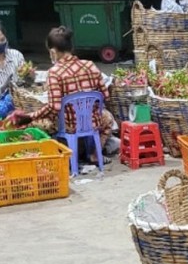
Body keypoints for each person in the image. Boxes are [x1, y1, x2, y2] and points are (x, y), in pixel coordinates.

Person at [13, 26, 114, 164]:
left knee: (34, 125)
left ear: (53, 52)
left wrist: (30, 117)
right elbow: (105, 96)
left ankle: (56, 156)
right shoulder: (91, 65)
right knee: (108, 118)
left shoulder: (54, 72)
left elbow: (54, 107)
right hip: (92, 122)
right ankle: (95, 154)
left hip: (68, 125)